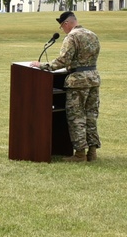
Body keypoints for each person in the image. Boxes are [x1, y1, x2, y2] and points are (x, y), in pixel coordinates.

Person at [31, 11, 100, 162]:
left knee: (76, 117)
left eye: (62, 26)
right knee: (91, 115)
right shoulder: (92, 34)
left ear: (67, 23)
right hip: (93, 79)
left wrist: (41, 65)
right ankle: (92, 152)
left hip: (78, 81)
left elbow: (63, 60)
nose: (62, 30)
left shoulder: (72, 36)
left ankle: (80, 154)